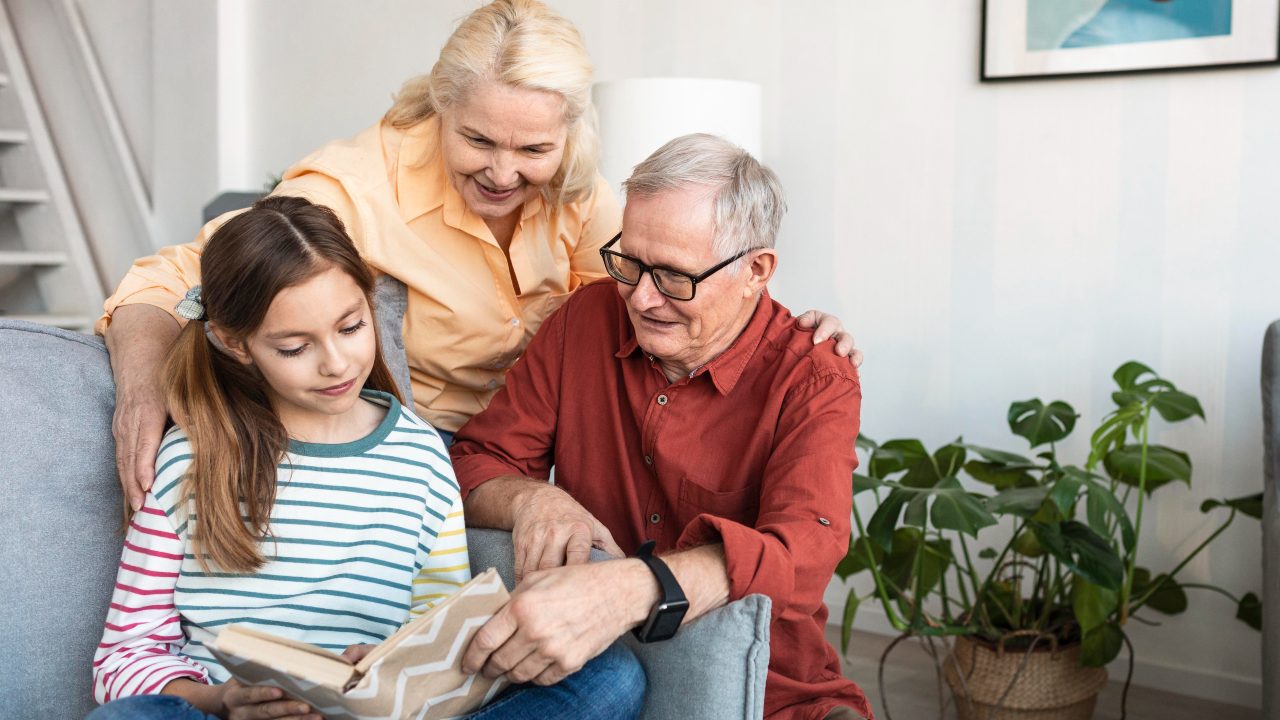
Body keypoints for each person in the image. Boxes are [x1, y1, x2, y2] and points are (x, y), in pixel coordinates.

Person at [97, 0, 860, 514]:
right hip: (416, 467)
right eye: (478, 141)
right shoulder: (356, 186)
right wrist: (139, 386)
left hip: (547, 457)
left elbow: (665, 295)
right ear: (441, 106)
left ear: (568, 135)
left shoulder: (583, 194)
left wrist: (774, 327)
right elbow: (171, 280)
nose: (503, 173)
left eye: (533, 147)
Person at [88, 197, 644, 720]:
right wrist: (222, 699)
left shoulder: (421, 458)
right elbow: (123, 656)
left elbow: (441, 638)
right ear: (237, 345)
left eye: (351, 327)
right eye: (294, 348)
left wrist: (393, 670)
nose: (336, 363)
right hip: (224, 713)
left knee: (612, 679)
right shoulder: (190, 455)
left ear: (369, 304)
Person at [450, 135, 872, 720]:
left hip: (770, 693)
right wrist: (533, 500)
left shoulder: (813, 376)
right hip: (587, 664)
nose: (642, 298)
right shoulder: (586, 319)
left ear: (756, 269)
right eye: (630, 262)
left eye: (675, 276)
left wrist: (638, 586)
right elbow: (475, 458)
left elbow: (804, 550)